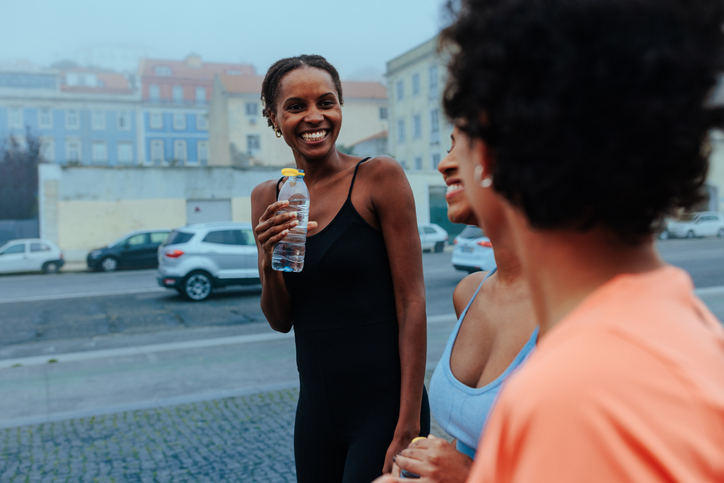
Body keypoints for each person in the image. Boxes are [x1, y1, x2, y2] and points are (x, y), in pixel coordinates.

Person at [437, 0, 724, 481]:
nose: (449, 162)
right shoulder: (678, 327)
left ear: (486, 151)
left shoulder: (576, 394)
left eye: (459, 135)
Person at [250, 54, 429, 483]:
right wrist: (267, 258)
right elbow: (280, 321)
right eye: (296, 106)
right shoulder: (267, 197)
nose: (315, 117)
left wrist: (408, 423)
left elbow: (412, 302)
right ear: (274, 118)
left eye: (326, 103)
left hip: (384, 408)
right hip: (316, 411)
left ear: (340, 108)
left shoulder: (378, 177)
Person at [386, 127, 537, 483]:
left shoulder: (571, 312)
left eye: (468, 144)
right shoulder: (469, 292)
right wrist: (430, 461)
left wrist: (470, 475)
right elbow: (477, 440)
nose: (444, 164)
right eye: (448, 146)